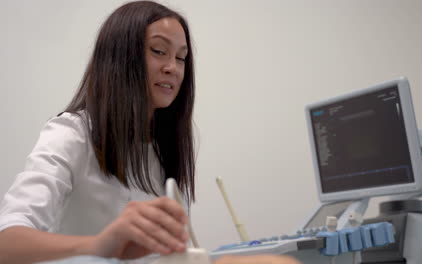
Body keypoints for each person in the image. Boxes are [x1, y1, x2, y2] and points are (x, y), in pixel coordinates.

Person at [0, 1, 302, 264]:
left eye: (181, 58)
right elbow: (6, 243)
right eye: (159, 51)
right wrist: (100, 247)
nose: (173, 67)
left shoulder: (165, 146)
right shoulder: (72, 134)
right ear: (120, 58)